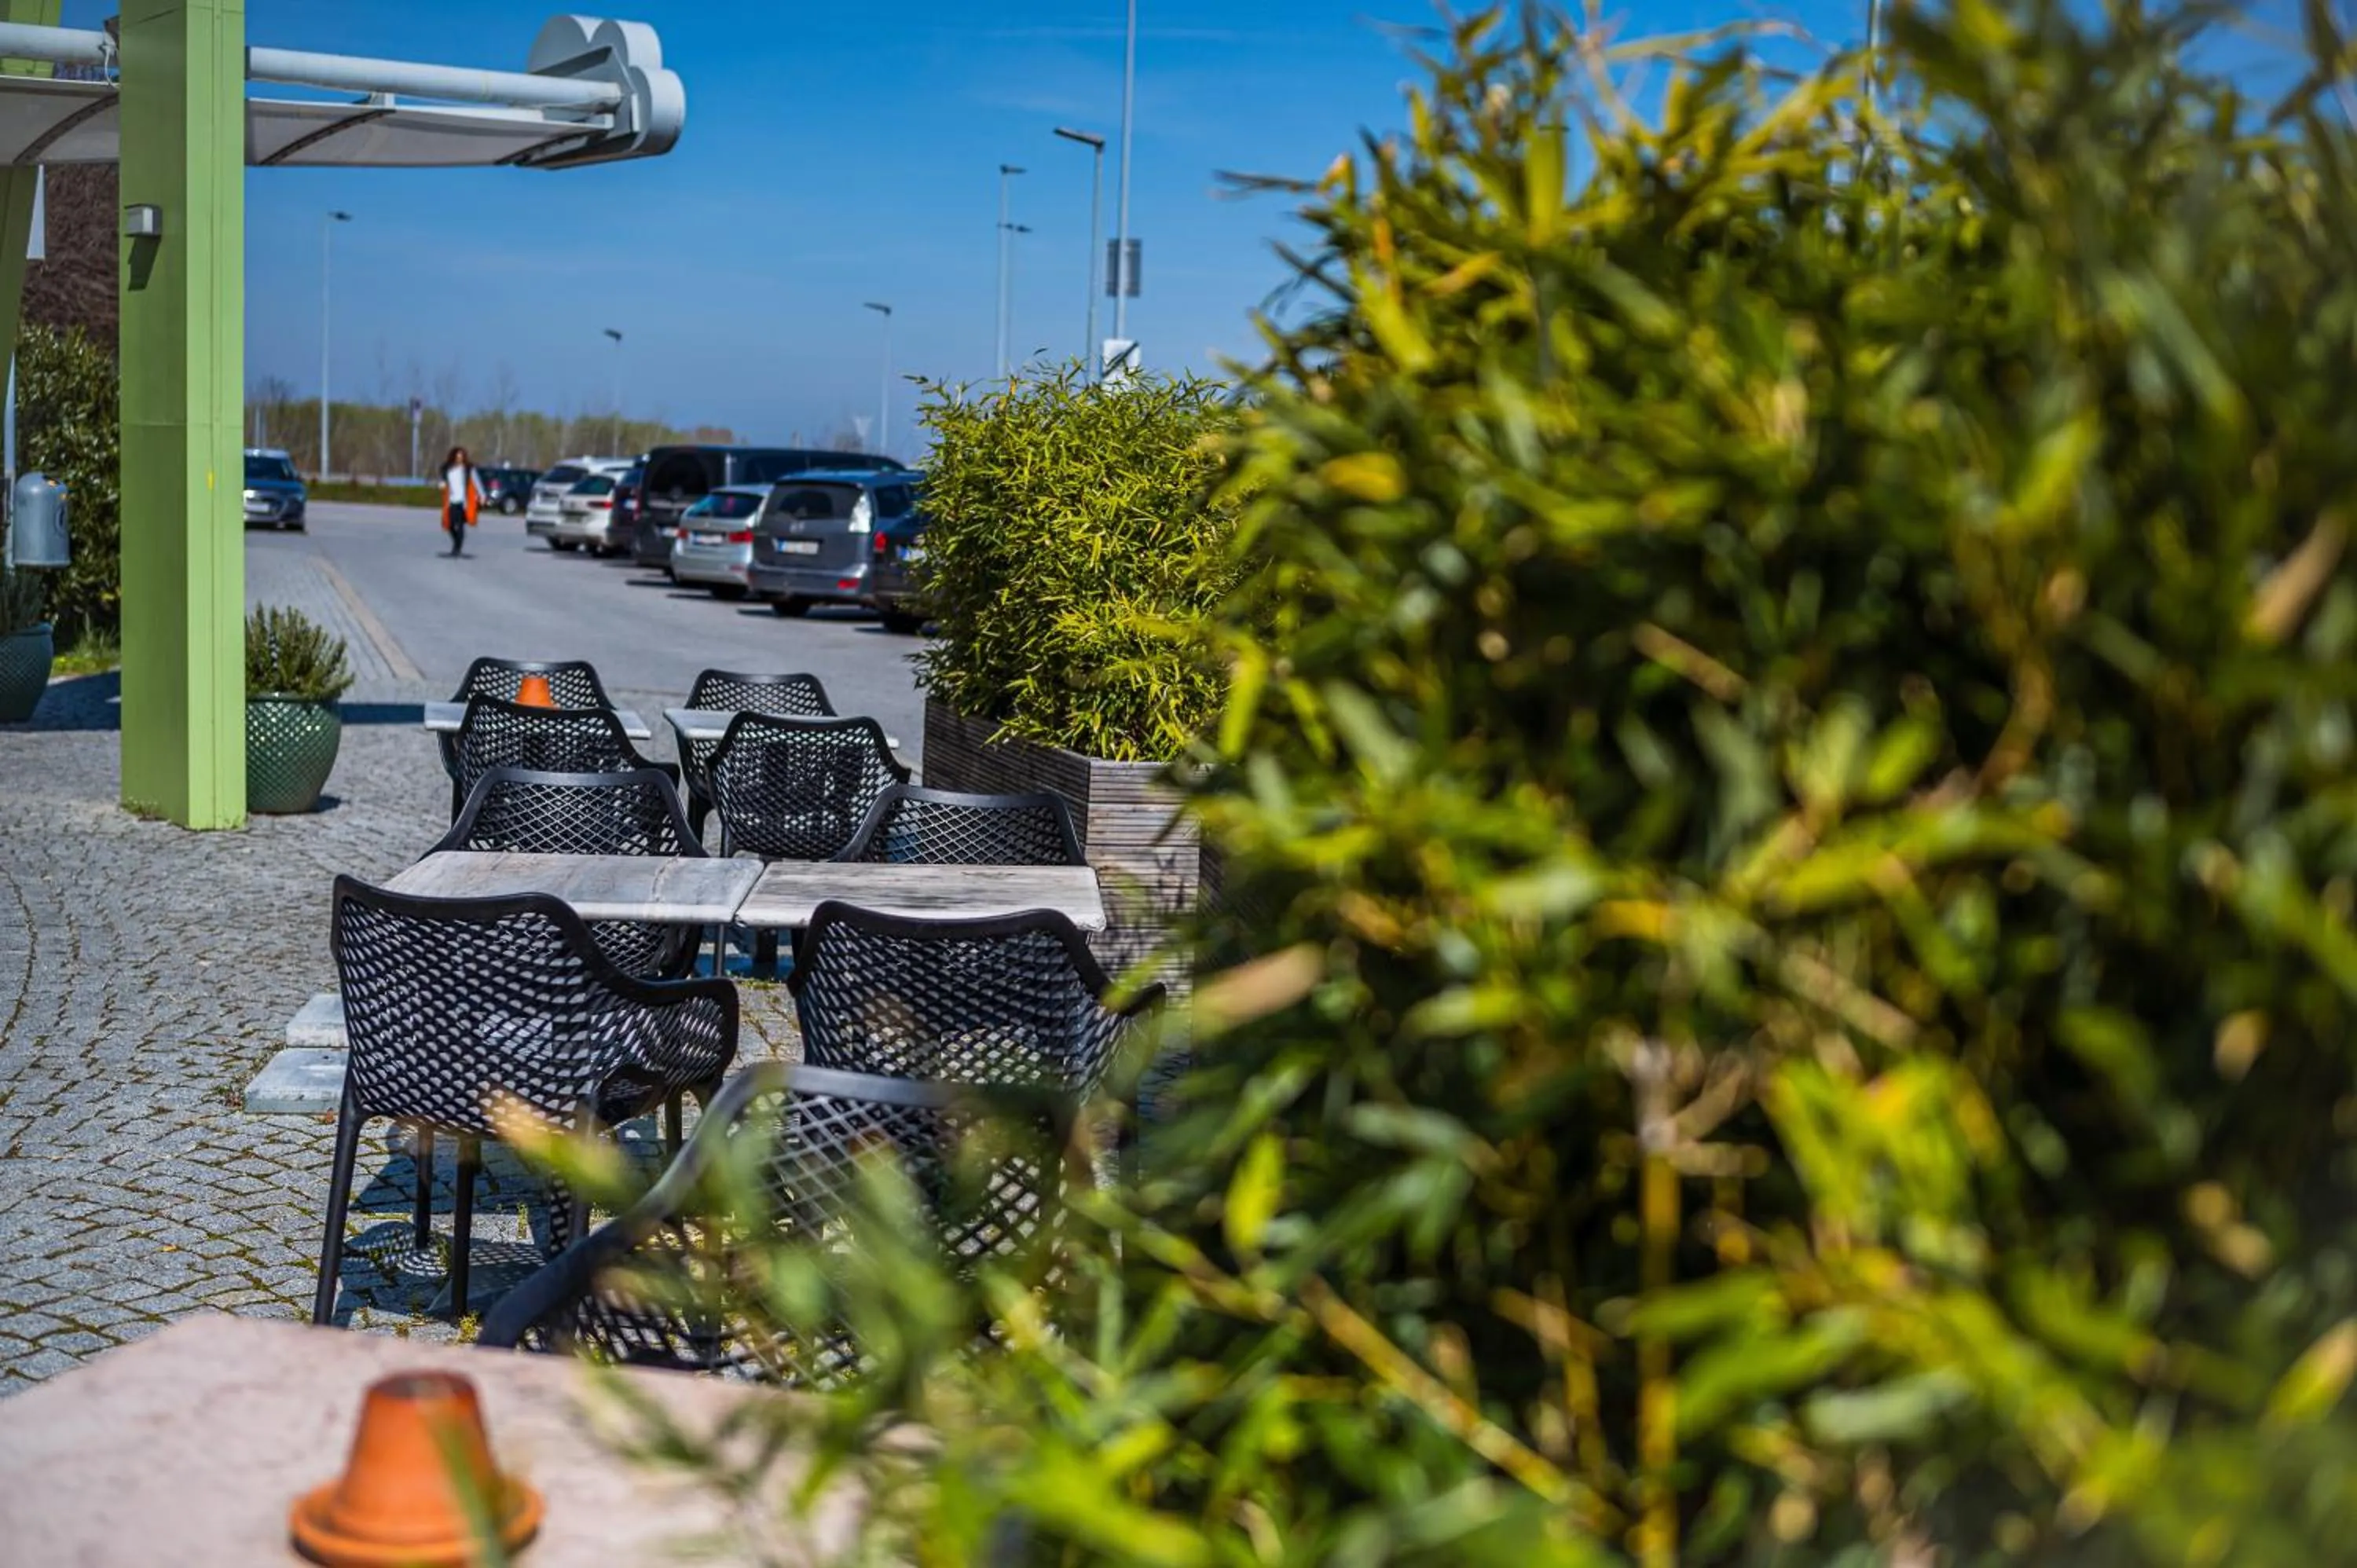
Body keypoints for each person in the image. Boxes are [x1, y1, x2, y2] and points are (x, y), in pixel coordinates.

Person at [440, 445, 484, 557]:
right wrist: (442, 485)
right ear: (453, 457)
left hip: (463, 501)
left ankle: (457, 549)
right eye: (457, 457)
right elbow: (443, 481)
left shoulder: (468, 469)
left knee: (459, 525)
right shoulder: (448, 469)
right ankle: (456, 543)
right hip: (451, 500)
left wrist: (482, 495)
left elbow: (477, 482)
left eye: (461, 457)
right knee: (449, 524)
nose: (459, 459)